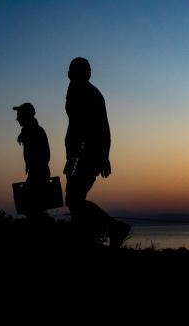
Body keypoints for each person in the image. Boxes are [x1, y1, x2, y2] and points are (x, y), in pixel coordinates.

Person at [64, 57, 130, 247]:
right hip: (78, 155)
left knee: (74, 200)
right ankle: (84, 238)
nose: (70, 75)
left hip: (83, 155)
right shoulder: (79, 90)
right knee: (75, 200)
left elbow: (99, 128)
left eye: (74, 71)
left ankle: (114, 227)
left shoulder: (84, 91)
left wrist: (101, 157)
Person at [13, 102, 54, 223]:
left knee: (30, 208)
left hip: (38, 173)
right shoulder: (31, 131)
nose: (17, 118)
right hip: (37, 173)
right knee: (31, 208)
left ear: (26, 116)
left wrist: (35, 171)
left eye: (19, 115)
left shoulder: (34, 132)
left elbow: (42, 156)